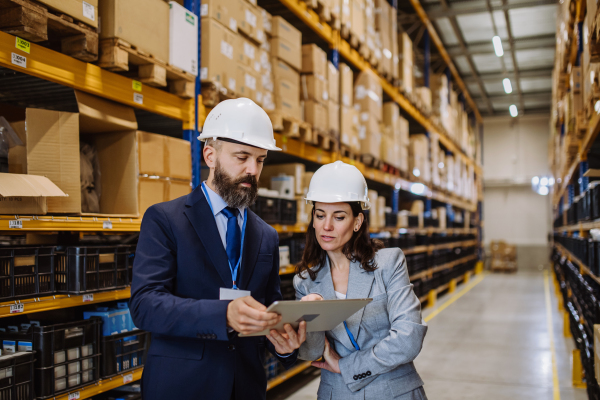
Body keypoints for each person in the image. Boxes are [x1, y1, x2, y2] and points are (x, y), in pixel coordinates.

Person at [130, 98, 306, 400]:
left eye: (260, 160)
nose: (252, 169)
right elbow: (145, 305)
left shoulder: (266, 235)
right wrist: (223, 314)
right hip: (182, 387)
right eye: (242, 157)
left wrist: (283, 343)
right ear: (210, 155)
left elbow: (268, 311)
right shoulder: (165, 219)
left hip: (245, 388)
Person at [294, 161, 428, 399]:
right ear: (312, 219)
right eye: (320, 215)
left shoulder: (388, 263)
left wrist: (348, 366)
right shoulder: (305, 281)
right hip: (337, 392)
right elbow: (311, 351)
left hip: (394, 391)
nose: (327, 226)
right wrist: (310, 315)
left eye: (339, 217)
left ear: (357, 222)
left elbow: (408, 338)